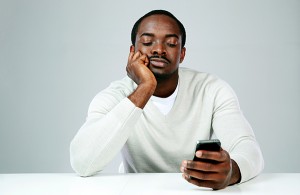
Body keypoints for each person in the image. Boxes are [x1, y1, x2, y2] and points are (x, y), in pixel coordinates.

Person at [70, 9, 264, 190]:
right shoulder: (115, 95)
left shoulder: (212, 89)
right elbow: (82, 162)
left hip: (195, 191)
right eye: (147, 42)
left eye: (171, 43)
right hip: (136, 191)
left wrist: (231, 171)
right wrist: (145, 87)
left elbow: (248, 148)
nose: (159, 50)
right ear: (132, 51)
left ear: (182, 54)